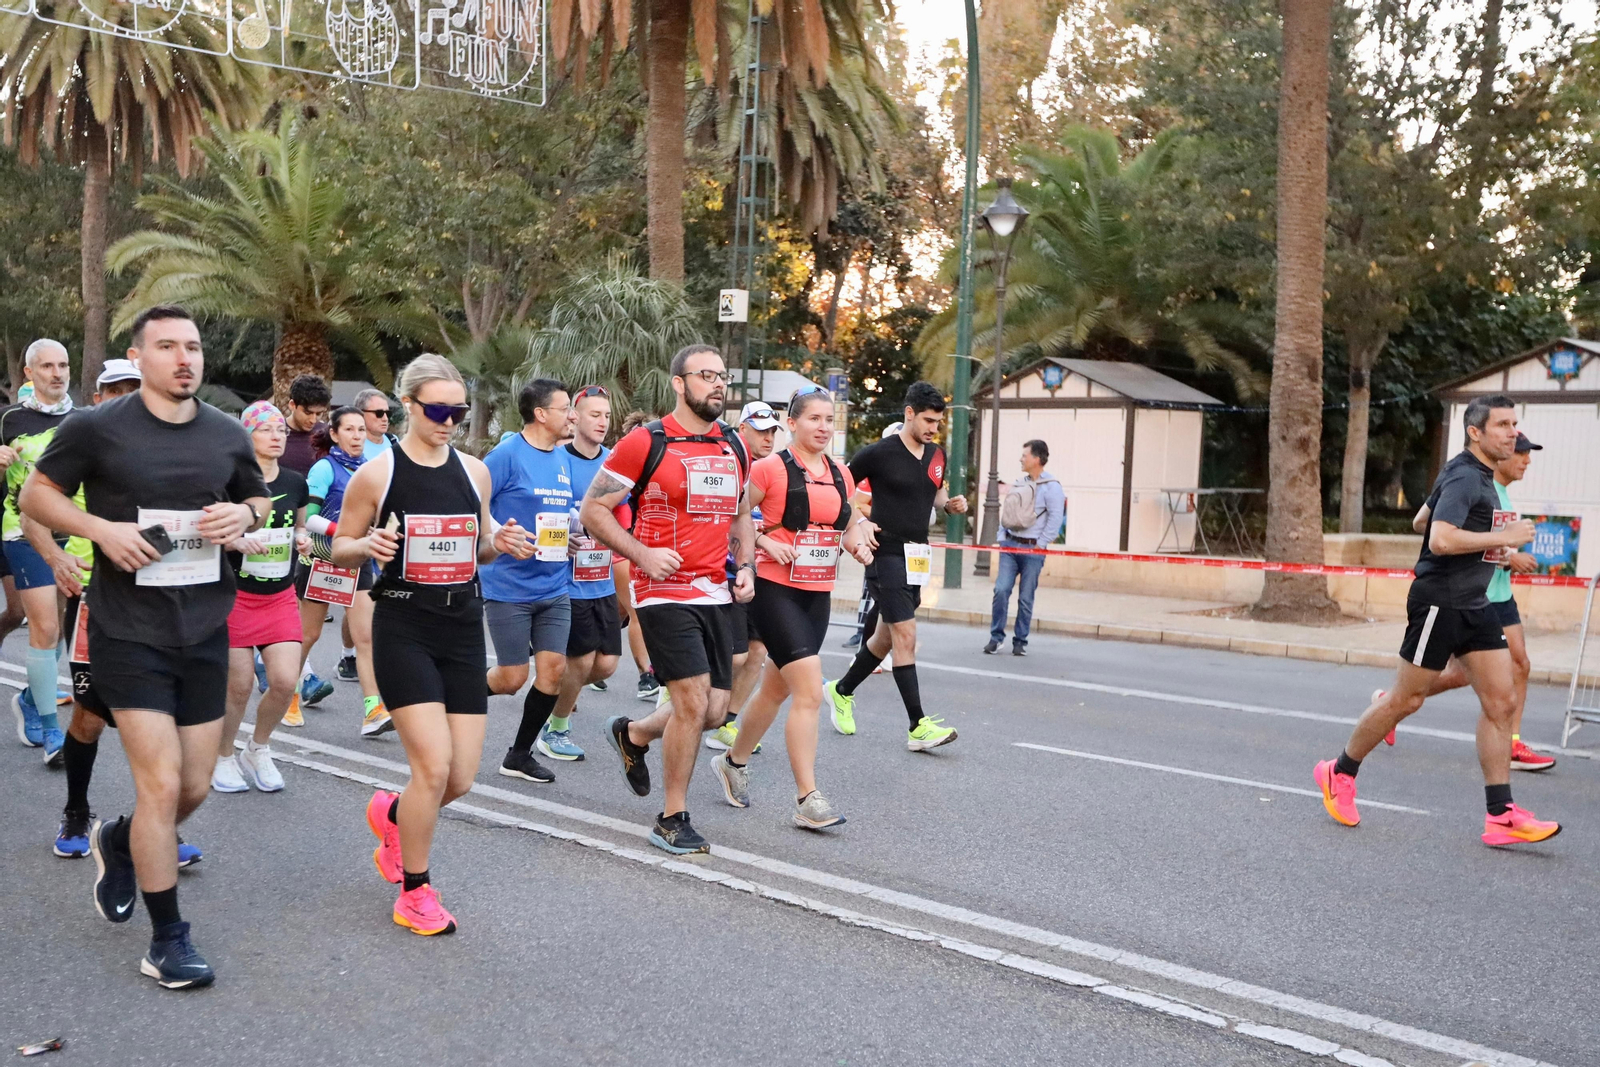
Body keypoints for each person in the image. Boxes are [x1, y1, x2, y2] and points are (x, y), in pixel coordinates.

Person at [23, 304, 270, 988]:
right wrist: (100, 530)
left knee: (193, 785)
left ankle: (120, 838)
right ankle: (168, 940)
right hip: (128, 630)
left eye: (192, 346)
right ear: (139, 356)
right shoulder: (96, 427)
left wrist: (243, 512)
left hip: (205, 629)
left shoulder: (225, 433)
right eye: (167, 346)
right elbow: (37, 499)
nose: (184, 358)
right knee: (161, 783)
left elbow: (258, 499)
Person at [332, 354, 531, 936]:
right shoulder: (378, 475)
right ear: (409, 406)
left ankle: (393, 815)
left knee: (460, 778)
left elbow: (481, 544)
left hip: (463, 626)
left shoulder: (474, 472)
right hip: (404, 626)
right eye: (437, 411)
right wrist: (367, 547)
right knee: (433, 767)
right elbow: (335, 547)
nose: (448, 422)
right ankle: (415, 891)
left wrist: (501, 542)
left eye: (458, 412)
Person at [1313, 395, 1561, 847]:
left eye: (1514, 424)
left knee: (1501, 702)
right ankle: (1339, 771)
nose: (1512, 433)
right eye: (1503, 425)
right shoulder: (1466, 476)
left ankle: (1501, 815)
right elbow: (1440, 539)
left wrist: (1491, 547)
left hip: (1474, 603)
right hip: (1439, 603)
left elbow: (1420, 521)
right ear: (1475, 433)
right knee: (1405, 701)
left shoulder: (1467, 473)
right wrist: (1502, 536)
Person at [582, 344, 756, 856]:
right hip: (661, 590)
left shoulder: (734, 444)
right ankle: (672, 817)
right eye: (706, 375)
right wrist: (643, 554)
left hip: (715, 591)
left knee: (715, 711)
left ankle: (633, 735)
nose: (718, 384)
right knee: (693, 701)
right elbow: (593, 510)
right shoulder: (646, 441)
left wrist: (745, 566)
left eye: (722, 376)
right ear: (679, 384)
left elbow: (741, 514)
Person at [711, 388, 874, 828]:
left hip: (816, 593)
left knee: (776, 690)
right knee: (809, 691)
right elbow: (731, 516)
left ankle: (732, 762)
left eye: (829, 420)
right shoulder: (769, 468)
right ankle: (808, 798)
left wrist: (857, 543)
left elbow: (846, 522)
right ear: (792, 422)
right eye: (814, 419)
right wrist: (763, 543)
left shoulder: (841, 473)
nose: (823, 427)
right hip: (774, 589)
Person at [38, 360, 163, 859]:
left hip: (158, 601)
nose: (124, 399)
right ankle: (76, 811)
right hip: (96, 597)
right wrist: (55, 557)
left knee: (155, 720)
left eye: (133, 389)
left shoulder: (171, 448)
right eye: (115, 391)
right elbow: (32, 504)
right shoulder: (83, 442)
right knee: (90, 716)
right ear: (98, 398)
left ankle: (155, 826)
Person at [1376, 432, 1555, 770]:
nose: (1526, 460)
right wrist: (1508, 555)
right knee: (1459, 676)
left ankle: (1510, 747)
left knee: (1518, 665)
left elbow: (1438, 528)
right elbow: (1438, 533)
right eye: (1520, 452)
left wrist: (1504, 554)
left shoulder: (1497, 491)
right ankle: (1390, 705)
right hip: (1474, 596)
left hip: (1498, 593)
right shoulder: (1468, 482)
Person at [823, 382, 967, 750]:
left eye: (938, 422)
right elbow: (838, 487)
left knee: (885, 638)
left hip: (918, 556)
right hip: (884, 553)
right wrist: (859, 521)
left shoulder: (936, 454)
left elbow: (935, 492)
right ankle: (918, 726)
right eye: (928, 420)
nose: (933, 428)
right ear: (909, 413)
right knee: (906, 635)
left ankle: (841, 690)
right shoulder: (879, 453)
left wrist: (949, 504)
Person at [210, 402, 309, 793]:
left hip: (279, 595)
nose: (276, 436)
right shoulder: (229, 482)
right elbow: (206, 532)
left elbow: (299, 526)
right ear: (246, 436)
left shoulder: (295, 482)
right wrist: (235, 541)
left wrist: (302, 539)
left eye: (281, 430)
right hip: (235, 595)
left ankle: (258, 748)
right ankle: (222, 756)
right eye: (266, 429)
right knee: (238, 686)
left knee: (285, 681)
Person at [482, 378, 575, 785]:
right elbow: (474, 505)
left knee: (553, 672)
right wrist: (500, 533)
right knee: (511, 678)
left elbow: (557, 514)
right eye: (565, 408)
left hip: (554, 586)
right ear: (540, 414)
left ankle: (519, 755)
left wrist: (569, 536)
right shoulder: (505, 456)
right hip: (509, 587)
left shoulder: (561, 458)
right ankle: (451, 693)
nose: (571, 416)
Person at [289, 406, 387, 735]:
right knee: (308, 635)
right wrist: (345, 532)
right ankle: (288, 696)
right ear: (334, 434)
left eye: (361, 430)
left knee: (366, 637)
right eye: (349, 429)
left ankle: (373, 710)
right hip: (321, 559)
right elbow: (308, 518)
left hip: (358, 560)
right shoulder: (324, 468)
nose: (357, 436)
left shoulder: (371, 470)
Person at [3, 339, 77, 761]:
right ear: (29, 373)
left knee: (60, 632)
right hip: (22, 531)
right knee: (45, 628)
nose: (57, 373)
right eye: (47, 366)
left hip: (72, 532)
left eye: (63, 365)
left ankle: (31, 699)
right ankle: (52, 734)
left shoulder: (82, 421)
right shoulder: (10, 418)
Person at [548, 385, 623, 759]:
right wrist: (562, 535)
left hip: (603, 577)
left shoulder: (615, 462)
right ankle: (555, 728)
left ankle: (552, 682)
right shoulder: (557, 460)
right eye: (595, 414)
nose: (602, 422)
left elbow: (627, 512)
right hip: (566, 579)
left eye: (607, 415)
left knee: (605, 665)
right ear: (574, 417)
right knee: (580, 660)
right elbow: (542, 508)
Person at [703, 399, 779, 752]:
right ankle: (680, 688)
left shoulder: (776, 470)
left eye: (773, 431)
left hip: (763, 575)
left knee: (758, 652)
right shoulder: (730, 464)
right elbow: (727, 519)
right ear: (743, 429)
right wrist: (760, 538)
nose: (768, 438)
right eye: (761, 431)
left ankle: (726, 722)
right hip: (727, 571)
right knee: (734, 656)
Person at [985, 439, 1065, 656]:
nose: (1021, 459)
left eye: (1025, 455)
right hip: (1010, 546)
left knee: (1026, 597)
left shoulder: (1052, 487)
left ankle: (1020, 641)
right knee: (1001, 590)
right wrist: (1002, 537)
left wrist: (1040, 545)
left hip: (1033, 550)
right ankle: (996, 638)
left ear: (1036, 459)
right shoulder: (1020, 483)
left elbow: (1055, 519)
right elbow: (1008, 512)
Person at [614, 409, 660, 701]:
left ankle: (588, 657)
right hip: (621, 546)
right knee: (636, 611)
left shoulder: (661, 466)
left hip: (651, 546)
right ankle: (646, 675)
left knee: (618, 612)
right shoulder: (619, 469)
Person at [280, 374, 331, 476]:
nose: (313, 420)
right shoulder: (275, 435)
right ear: (292, 405)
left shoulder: (328, 435)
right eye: (307, 413)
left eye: (318, 414)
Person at [353, 386, 398, 458]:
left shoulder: (393, 441)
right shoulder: (352, 446)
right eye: (379, 413)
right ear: (361, 414)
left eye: (388, 413)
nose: (385, 418)